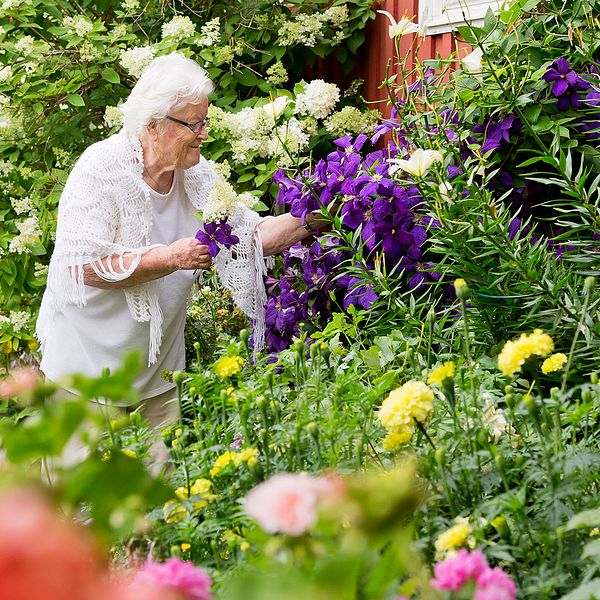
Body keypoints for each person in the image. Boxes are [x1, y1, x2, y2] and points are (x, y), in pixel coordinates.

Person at [36, 53, 318, 467]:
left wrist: (317, 213)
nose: (203, 133)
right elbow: (80, 269)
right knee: (76, 508)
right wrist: (168, 258)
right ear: (153, 125)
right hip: (85, 372)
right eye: (194, 124)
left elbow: (250, 236)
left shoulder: (197, 174)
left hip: (157, 373)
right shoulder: (100, 170)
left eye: (205, 121)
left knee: (163, 506)